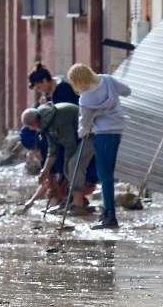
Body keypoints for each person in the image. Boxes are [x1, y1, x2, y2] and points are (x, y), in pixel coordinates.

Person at [68, 63, 129, 230]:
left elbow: (84, 126)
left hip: (101, 135)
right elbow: (127, 91)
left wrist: (83, 131)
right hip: (117, 130)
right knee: (108, 173)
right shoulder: (108, 80)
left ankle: (109, 215)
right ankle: (106, 213)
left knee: (105, 175)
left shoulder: (85, 99)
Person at [21, 101, 91, 215]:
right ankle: (70, 201)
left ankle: (78, 204)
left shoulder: (57, 119)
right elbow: (52, 150)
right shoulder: (46, 123)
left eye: (32, 126)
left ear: (35, 122)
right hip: (78, 137)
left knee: (72, 165)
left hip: (89, 134)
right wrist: (46, 169)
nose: (33, 129)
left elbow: (70, 144)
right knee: (68, 168)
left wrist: (65, 167)